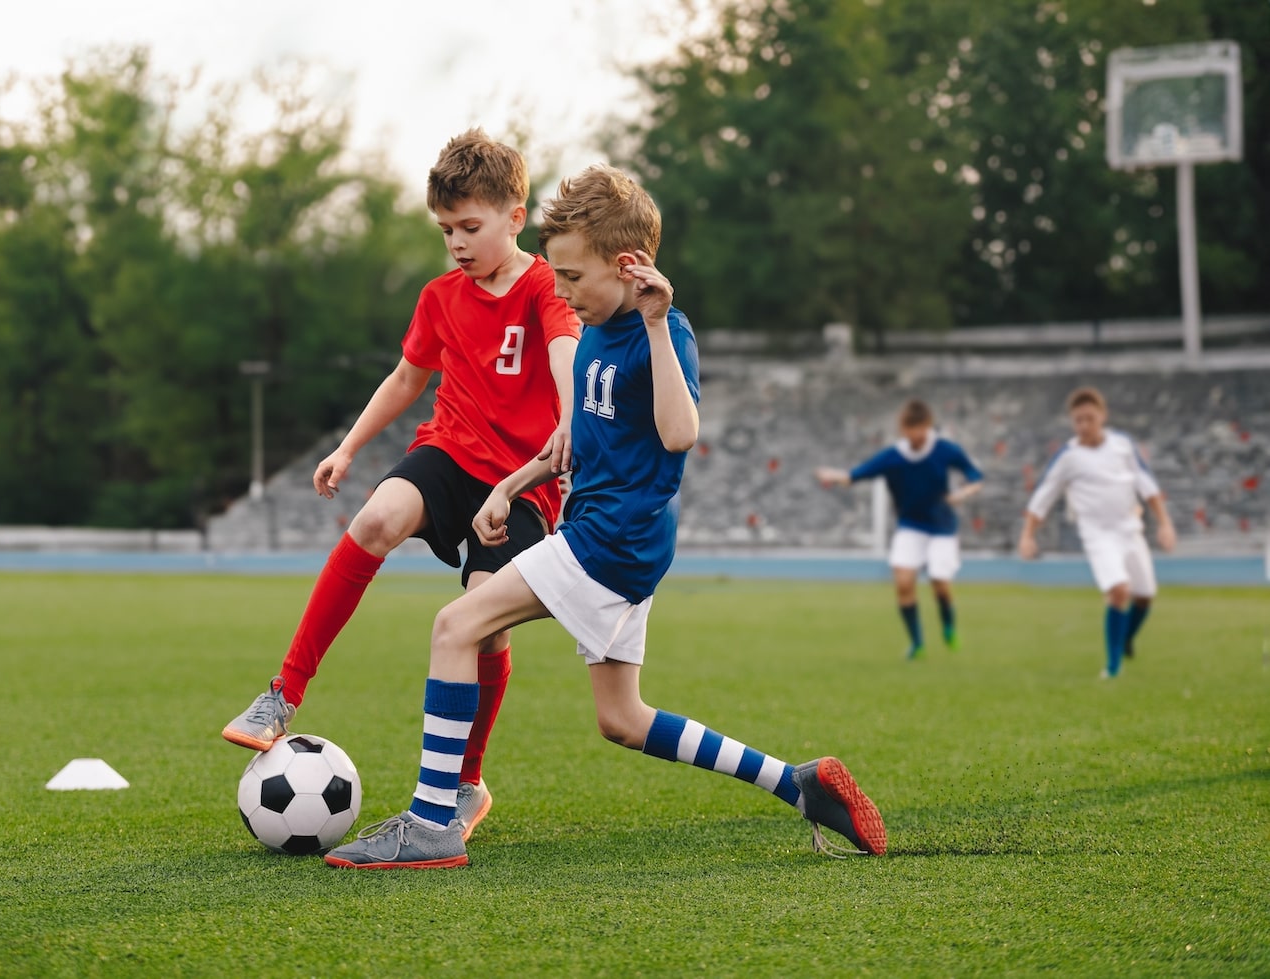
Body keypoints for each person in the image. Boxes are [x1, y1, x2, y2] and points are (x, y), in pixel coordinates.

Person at [323, 164, 886, 870]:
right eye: (554, 276)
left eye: (571, 278)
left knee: (454, 625)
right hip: (607, 535)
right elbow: (573, 443)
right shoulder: (591, 322)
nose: (559, 292)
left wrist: (654, 324)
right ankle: (799, 783)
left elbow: (680, 433)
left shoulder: (661, 330)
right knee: (622, 719)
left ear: (629, 268)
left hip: (612, 540)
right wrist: (512, 484)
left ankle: (432, 820)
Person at [222, 129, 582, 842]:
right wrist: (348, 447)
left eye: (469, 227)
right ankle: (282, 693)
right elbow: (406, 379)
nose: (455, 242)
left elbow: (565, 347)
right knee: (375, 520)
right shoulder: (440, 295)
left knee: (482, 618)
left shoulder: (546, 285)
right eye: (445, 229)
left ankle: (467, 784)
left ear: (515, 216)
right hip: (449, 452)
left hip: (520, 480)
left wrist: (570, 423)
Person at [1018, 386, 1176, 678]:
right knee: (1118, 591)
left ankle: (1125, 637)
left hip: (1130, 528)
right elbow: (1043, 495)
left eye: (1089, 418)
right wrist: (1027, 535)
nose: (1084, 426)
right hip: (1098, 534)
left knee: (1144, 596)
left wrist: (1165, 523)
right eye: (1078, 420)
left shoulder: (1123, 445)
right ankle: (1113, 666)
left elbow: (1147, 484)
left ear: (1102, 416)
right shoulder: (1068, 456)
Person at [815, 400, 984, 659]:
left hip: (942, 527)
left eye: (918, 429)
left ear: (927, 426)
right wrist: (833, 476)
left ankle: (948, 627)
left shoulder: (944, 450)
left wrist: (963, 493)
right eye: (908, 429)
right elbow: (856, 475)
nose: (913, 435)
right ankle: (917, 644)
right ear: (902, 429)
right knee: (904, 583)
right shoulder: (894, 457)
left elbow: (975, 476)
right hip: (910, 526)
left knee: (940, 584)